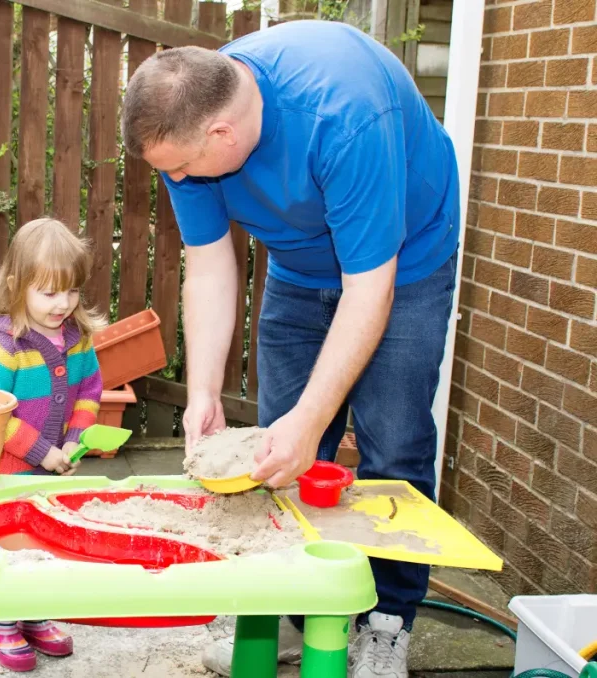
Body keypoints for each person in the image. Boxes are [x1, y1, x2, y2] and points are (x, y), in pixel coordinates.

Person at [121, 19, 460, 678]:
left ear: (222, 134)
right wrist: (203, 394)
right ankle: (284, 603)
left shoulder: (345, 114)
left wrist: (312, 419)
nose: (179, 179)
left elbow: (370, 291)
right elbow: (213, 267)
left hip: (404, 263)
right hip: (301, 269)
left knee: (392, 443)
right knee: (276, 450)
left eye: (184, 167)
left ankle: (388, 622)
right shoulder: (186, 123)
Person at [0, 217, 105, 671]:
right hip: (7, 472)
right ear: (16, 285)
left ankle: (35, 615)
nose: (62, 304)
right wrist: (41, 451)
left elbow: (89, 392)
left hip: (52, 469)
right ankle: (3, 621)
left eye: (70, 292)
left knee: (44, 543)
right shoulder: (3, 346)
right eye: (48, 293)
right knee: (11, 545)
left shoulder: (78, 340)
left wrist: (72, 439)